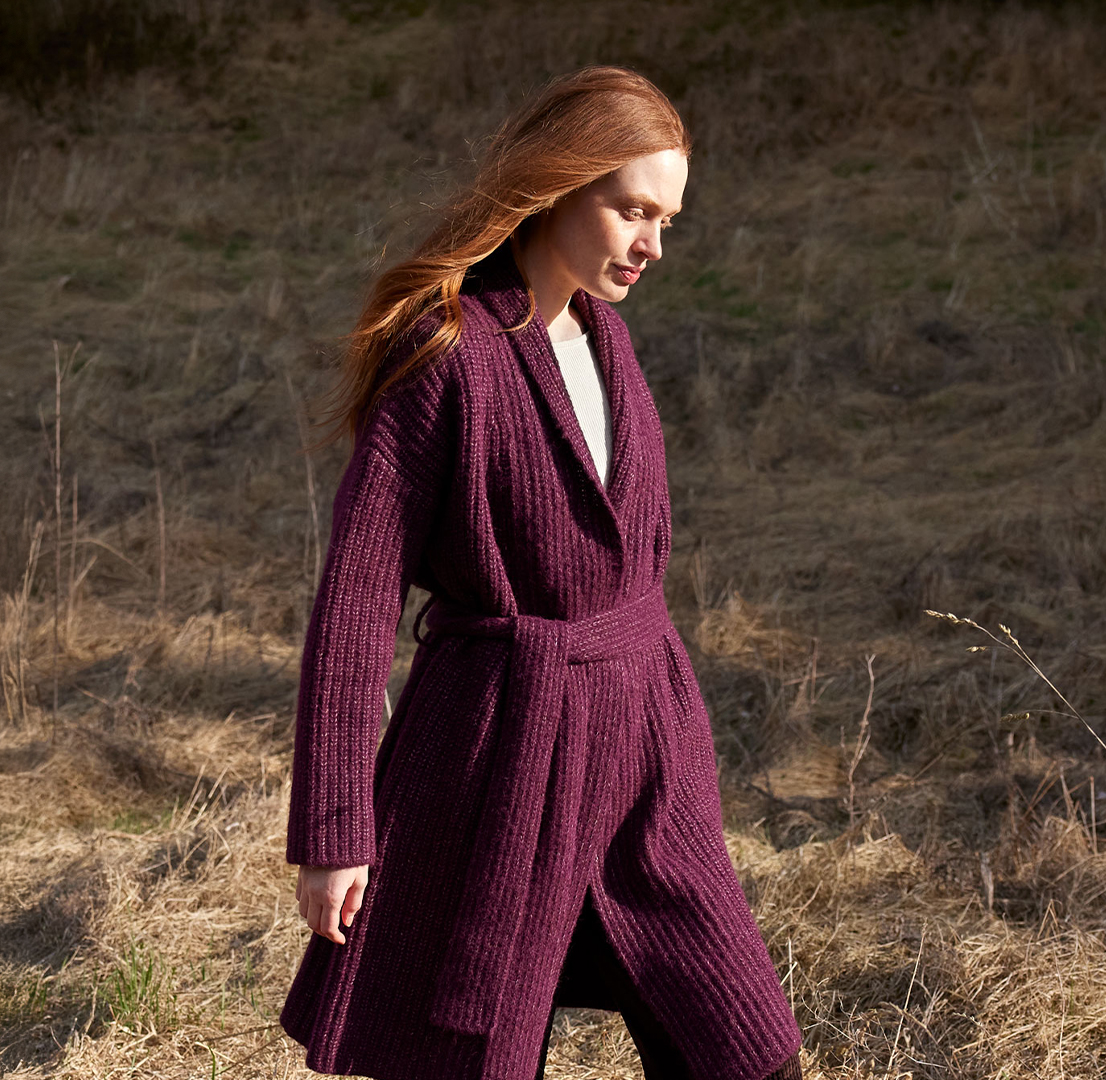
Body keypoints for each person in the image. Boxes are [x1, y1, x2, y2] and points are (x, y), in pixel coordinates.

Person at [280, 66, 805, 1080]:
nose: (654, 244)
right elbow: (355, 604)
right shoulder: (444, 354)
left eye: (668, 218)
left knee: (745, 1051)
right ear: (562, 186)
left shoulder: (609, 342)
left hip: (642, 766)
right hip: (495, 767)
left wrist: (674, 751)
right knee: (463, 1060)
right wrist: (335, 829)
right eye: (633, 211)